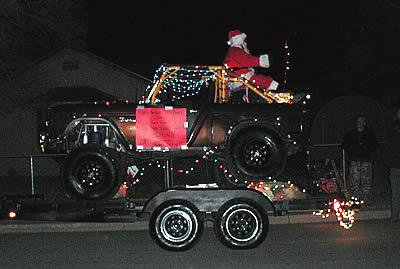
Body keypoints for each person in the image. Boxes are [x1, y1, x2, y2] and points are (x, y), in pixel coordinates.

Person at [223, 30, 279, 95]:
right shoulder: (236, 51)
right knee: (263, 81)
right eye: (244, 41)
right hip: (242, 79)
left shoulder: (232, 51)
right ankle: (276, 95)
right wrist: (263, 60)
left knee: (261, 80)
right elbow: (248, 60)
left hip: (240, 78)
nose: (245, 43)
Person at [342, 115, 378, 202]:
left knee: (366, 180)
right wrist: (353, 149)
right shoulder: (351, 134)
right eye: (358, 121)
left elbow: (374, 146)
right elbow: (345, 145)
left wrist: (365, 146)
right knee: (354, 180)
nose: (360, 123)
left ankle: (365, 198)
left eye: (362, 121)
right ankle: (355, 198)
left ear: (364, 123)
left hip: (366, 160)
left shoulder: (369, 134)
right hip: (354, 160)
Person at [382, 107, 400, 222]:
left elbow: (385, 154)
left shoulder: (391, 140)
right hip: (395, 167)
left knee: (395, 194)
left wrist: (389, 164)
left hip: (394, 167)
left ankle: (394, 216)